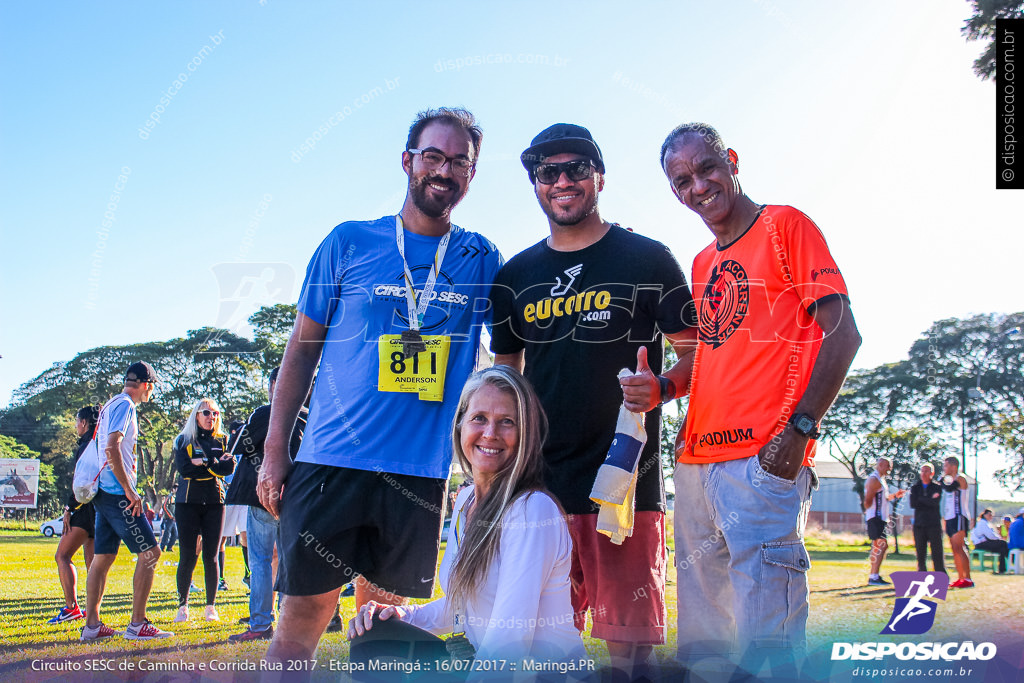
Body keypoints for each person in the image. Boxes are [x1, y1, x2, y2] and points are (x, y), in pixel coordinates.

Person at [258, 107, 502, 671]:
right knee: (298, 631)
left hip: (418, 474)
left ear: (472, 173)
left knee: (384, 638)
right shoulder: (348, 242)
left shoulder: (481, 257)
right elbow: (300, 351)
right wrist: (275, 451)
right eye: (433, 156)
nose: (444, 170)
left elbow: (508, 359)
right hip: (329, 464)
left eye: (459, 160)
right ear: (407, 161)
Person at [488, 122, 698, 681]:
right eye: (546, 172)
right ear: (535, 184)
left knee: (629, 653)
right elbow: (504, 382)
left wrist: (664, 388)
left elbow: (698, 355)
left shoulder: (648, 260)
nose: (562, 181)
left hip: (625, 486)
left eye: (576, 168)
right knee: (538, 644)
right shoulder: (514, 277)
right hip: (539, 488)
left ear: (599, 178)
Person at [658, 123, 862, 676]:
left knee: (769, 649)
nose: (698, 186)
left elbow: (842, 332)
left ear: (732, 161)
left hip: (764, 459)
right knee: (704, 649)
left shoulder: (785, 226)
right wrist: (665, 387)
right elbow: (712, 356)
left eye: (706, 169)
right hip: (696, 467)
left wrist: (799, 432)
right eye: (682, 181)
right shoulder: (702, 263)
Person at [348, 366, 588, 675]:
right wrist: (402, 615)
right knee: (375, 638)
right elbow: (463, 606)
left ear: (526, 434)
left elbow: (509, 640)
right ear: (460, 423)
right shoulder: (465, 502)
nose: (490, 433)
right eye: (479, 418)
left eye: (507, 422)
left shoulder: (532, 510)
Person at [82, 361, 173, 641]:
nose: (152, 393)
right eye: (152, 387)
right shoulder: (125, 405)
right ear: (146, 384)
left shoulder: (110, 403)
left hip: (103, 493)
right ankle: (137, 624)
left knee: (103, 557)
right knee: (151, 554)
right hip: (117, 493)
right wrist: (129, 490)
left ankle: (92, 626)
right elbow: (111, 447)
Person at [227, 367, 308, 643]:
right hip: (296, 497)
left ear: (275, 384)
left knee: (260, 561)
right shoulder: (309, 416)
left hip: (263, 495)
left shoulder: (266, 412)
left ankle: (261, 624)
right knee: (288, 562)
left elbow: (236, 445)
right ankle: (287, 624)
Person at [171, 398, 235, 622]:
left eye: (215, 413)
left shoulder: (224, 440)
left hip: (215, 503)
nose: (211, 417)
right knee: (187, 555)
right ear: (196, 415)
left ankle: (210, 607)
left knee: (212, 556)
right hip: (187, 503)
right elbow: (185, 470)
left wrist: (205, 463)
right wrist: (215, 464)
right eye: (206, 413)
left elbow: (227, 469)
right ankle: (182, 606)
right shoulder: (183, 440)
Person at [47, 405, 99, 624]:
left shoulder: (86, 446)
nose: (76, 425)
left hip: (85, 508)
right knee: (93, 565)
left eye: (77, 420)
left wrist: (68, 509)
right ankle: (93, 612)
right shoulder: (100, 443)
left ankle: (72, 608)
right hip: (99, 509)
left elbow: (81, 485)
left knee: (63, 555)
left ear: (84, 423)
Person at [863, 457, 905, 585]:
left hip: (880, 518)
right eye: (888, 466)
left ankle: (874, 575)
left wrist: (895, 496)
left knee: (878, 546)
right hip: (876, 517)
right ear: (880, 465)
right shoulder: (874, 479)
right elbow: (868, 499)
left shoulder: (881, 480)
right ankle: (874, 576)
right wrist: (870, 513)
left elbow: (883, 498)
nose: (889, 469)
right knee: (882, 545)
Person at [941, 456, 973, 588]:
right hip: (949, 517)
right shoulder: (949, 480)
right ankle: (960, 578)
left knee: (960, 547)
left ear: (953, 466)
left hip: (959, 516)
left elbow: (949, 488)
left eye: (946, 466)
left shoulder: (960, 479)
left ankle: (968, 578)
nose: (944, 469)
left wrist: (941, 479)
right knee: (954, 548)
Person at [909, 463, 945, 573]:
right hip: (919, 524)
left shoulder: (937, 487)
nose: (924, 474)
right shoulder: (915, 488)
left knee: (937, 551)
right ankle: (921, 574)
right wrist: (927, 499)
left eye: (927, 471)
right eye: (922, 471)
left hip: (933, 524)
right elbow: (913, 504)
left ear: (932, 473)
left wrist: (921, 499)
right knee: (920, 552)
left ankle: (940, 575)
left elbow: (934, 503)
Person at [970, 508, 1010, 574]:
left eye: (991, 515)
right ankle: (1012, 562)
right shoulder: (983, 523)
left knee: (1002, 549)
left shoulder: (985, 523)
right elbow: (990, 535)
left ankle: (1002, 569)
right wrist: (999, 538)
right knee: (1003, 543)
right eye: (989, 515)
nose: (991, 517)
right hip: (981, 544)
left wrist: (998, 538)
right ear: (984, 515)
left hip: (983, 543)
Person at [159, 485, 178, 551]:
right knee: (167, 534)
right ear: (173, 489)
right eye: (176, 489)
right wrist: (171, 516)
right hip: (168, 519)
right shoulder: (170, 497)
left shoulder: (175, 497)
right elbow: (164, 506)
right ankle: (162, 547)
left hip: (173, 519)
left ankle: (169, 547)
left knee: (175, 535)